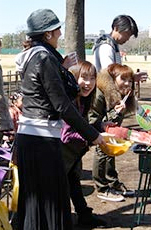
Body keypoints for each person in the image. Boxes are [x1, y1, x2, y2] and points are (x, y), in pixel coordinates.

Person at [15, 9, 104, 230]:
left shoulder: (35, 57)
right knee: (50, 201)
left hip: (32, 137)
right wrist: (92, 135)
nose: (60, 33)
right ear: (47, 34)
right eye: (56, 30)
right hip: (41, 139)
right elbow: (62, 105)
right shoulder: (44, 58)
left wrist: (62, 68)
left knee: (36, 202)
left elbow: (50, 93)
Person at [90, 14, 145, 199]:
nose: (127, 38)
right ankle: (102, 186)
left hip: (112, 99)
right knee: (104, 144)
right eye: (127, 34)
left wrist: (131, 78)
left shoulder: (112, 45)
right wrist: (117, 102)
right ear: (116, 29)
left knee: (111, 142)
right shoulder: (105, 46)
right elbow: (110, 75)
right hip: (106, 100)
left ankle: (111, 181)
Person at [60, 61, 106, 227]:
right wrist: (93, 137)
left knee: (74, 182)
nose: (88, 83)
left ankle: (84, 216)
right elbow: (66, 135)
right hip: (60, 155)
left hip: (72, 157)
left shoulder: (84, 101)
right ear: (73, 78)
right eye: (83, 78)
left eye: (92, 78)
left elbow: (84, 125)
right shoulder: (69, 101)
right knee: (63, 189)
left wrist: (101, 127)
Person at [88, 63, 136, 202]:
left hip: (106, 128)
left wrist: (118, 113)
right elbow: (94, 121)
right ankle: (102, 188)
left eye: (130, 80)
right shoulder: (101, 93)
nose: (127, 83)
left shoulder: (120, 94)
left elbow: (113, 123)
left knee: (111, 149)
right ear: (114, 80)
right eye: (123, 79)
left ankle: (112, 182)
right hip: (94, 129)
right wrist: (115, 113)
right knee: (102, 151)